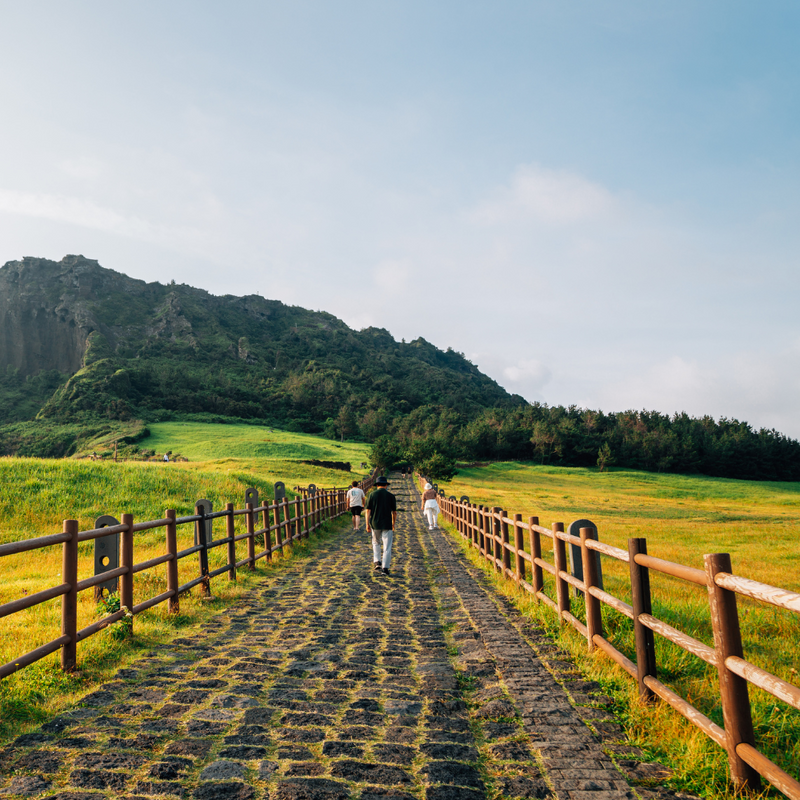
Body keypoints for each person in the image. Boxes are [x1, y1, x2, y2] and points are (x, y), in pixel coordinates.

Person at [365, 475, 396, 575]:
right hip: (387, 523)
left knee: (376, 542)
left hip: (374, 523)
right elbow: (394, 512)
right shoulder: (391, 496)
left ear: (377, 485)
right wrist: (393, 523)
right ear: (386, 485)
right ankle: (385, 568)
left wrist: (367, 524)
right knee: (387, 546)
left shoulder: (372, 495)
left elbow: (368, 510)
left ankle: (377, 561)